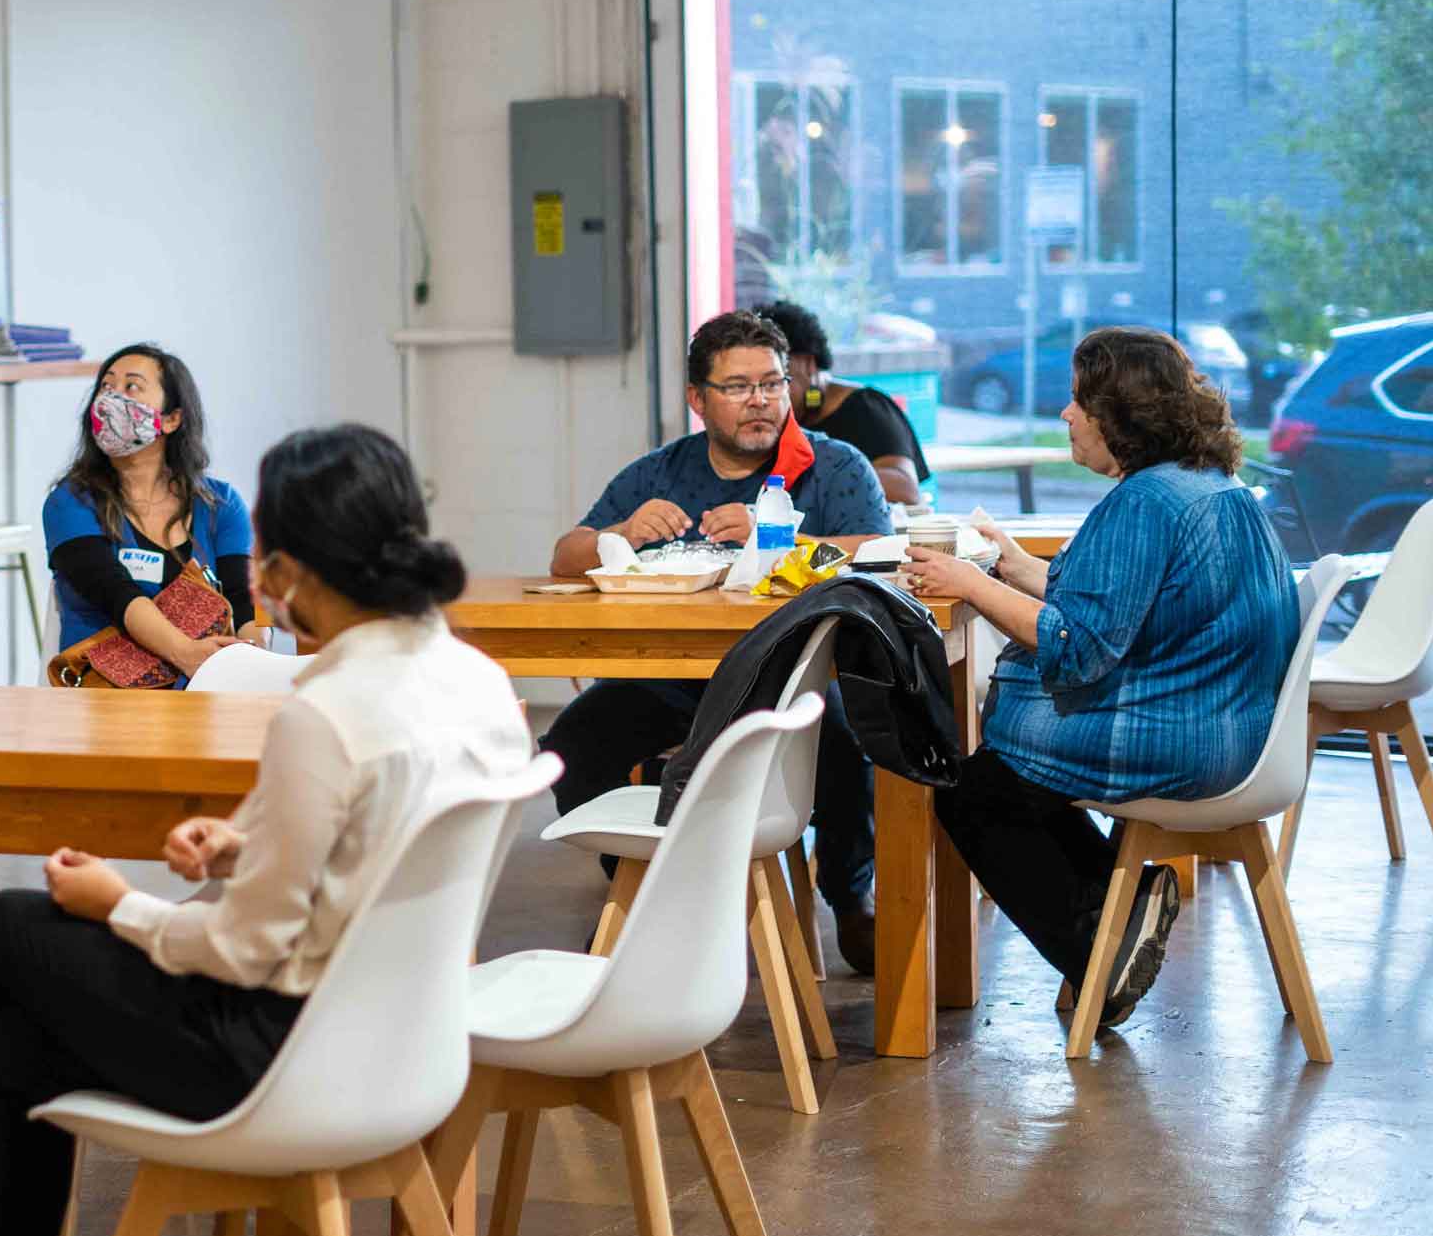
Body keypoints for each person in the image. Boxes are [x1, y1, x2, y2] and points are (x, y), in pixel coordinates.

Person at [0, 424, 530, 1236]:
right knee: (14, 1047)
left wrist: (121, 903)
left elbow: (243, 950)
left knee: (18, 925)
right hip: (414, 1041)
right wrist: (249, 843)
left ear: (286, 572)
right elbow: (386, 840)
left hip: (283, 1061)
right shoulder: (480, 682)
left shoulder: (323, 714)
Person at [910, 325, 1295, 1027]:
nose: (1065, 414)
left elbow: (1078, 644)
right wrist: (1009, 566)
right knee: (1003, 782)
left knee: (971, 790)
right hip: (1235, 730)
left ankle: (1099, 955)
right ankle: (1114, 918)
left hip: (1182, 740)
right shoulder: (1210, 486)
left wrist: (965, 582)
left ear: (1122, 414)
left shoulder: (1146, 502)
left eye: (1079, 400)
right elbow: (1117, 602)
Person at [542, 309, 892, 970]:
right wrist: (619, 533)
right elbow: (566, 555)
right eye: (737, 387)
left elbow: (880, 551)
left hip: (801, 677)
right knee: (571, 747)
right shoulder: (660, 472)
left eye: (772, 383)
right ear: (698, 400)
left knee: (848, 737)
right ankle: (646, 879)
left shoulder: (835, 466)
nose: (760, 401)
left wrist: (785, 542)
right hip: (676, 677)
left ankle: (850, 898)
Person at [42, 344, 257, 681]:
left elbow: (243, 599)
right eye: (106, 386)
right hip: (105, 692)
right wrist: (187, 655)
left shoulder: (221, 504)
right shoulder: (70, 502)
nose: (111, 399)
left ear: (172, 419)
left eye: (132, 387)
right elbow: (115, 592)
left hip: (209, 684)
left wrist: (253, 655)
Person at [761, 299, 932, 506]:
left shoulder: (866, 409)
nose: (763, 396)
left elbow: (904, 489)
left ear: (808, 364)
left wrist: (821, 475)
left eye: (774, 379)